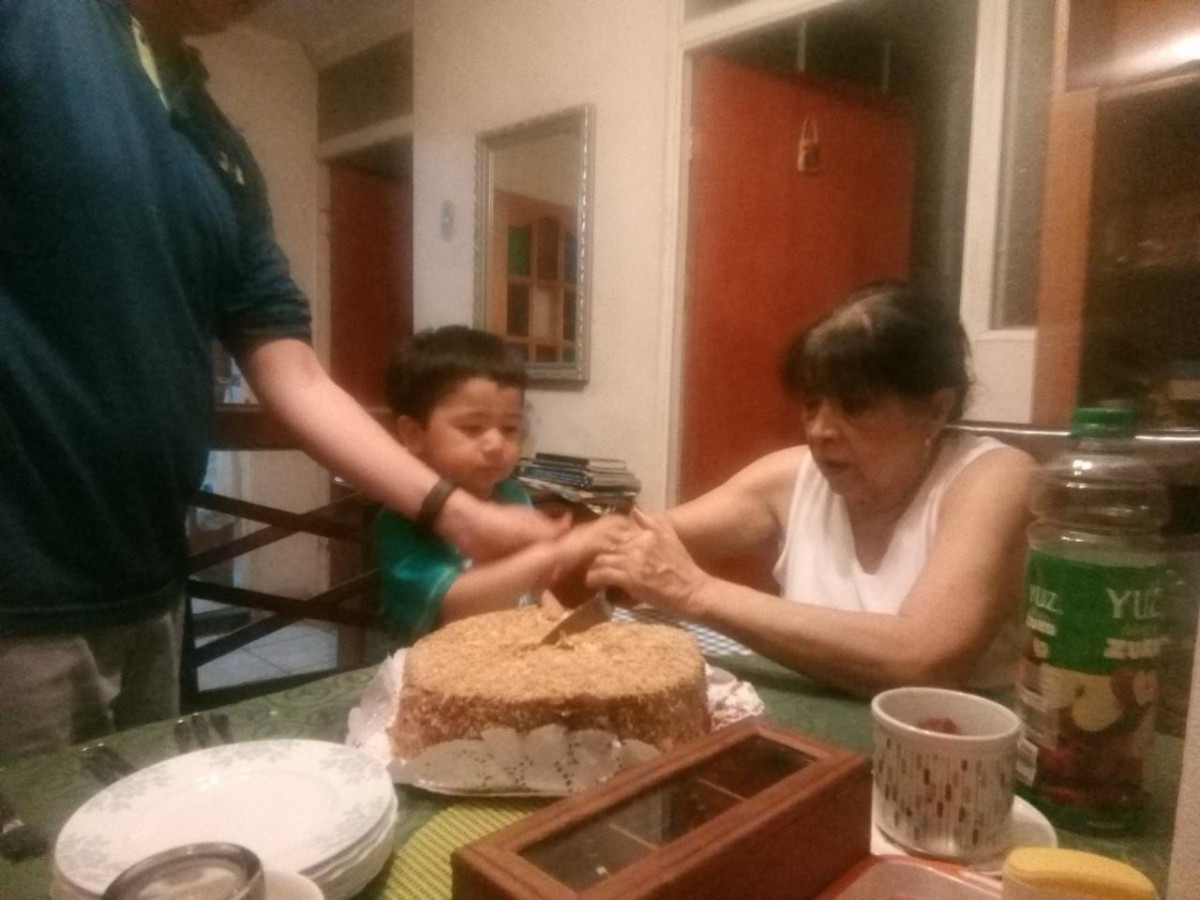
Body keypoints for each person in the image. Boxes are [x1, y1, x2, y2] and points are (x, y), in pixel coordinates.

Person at [0, 0, 563, 760]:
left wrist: (457, 512)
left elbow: (294, 373)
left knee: (137, 820)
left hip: (153, 577)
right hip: (20, 592)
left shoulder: (217, 143)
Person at [588, 282, 1037, 696]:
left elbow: (924, 659)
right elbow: (640, 539)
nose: (820, 430)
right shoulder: (792, 477)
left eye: (854, 406)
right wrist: (571, 544)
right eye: (811, 404)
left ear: (935, 411)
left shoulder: (995, 478)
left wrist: (697, 593)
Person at [377, 327, 621, 638]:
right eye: (472, 427)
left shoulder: (512, 494)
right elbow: (454, 608)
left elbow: (531, 586)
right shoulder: (402, 521)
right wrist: (559, 551)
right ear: (413, 434)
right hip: (429, 660)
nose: (495, 444)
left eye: (509, 428)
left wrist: (557, 621)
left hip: (509, 651)